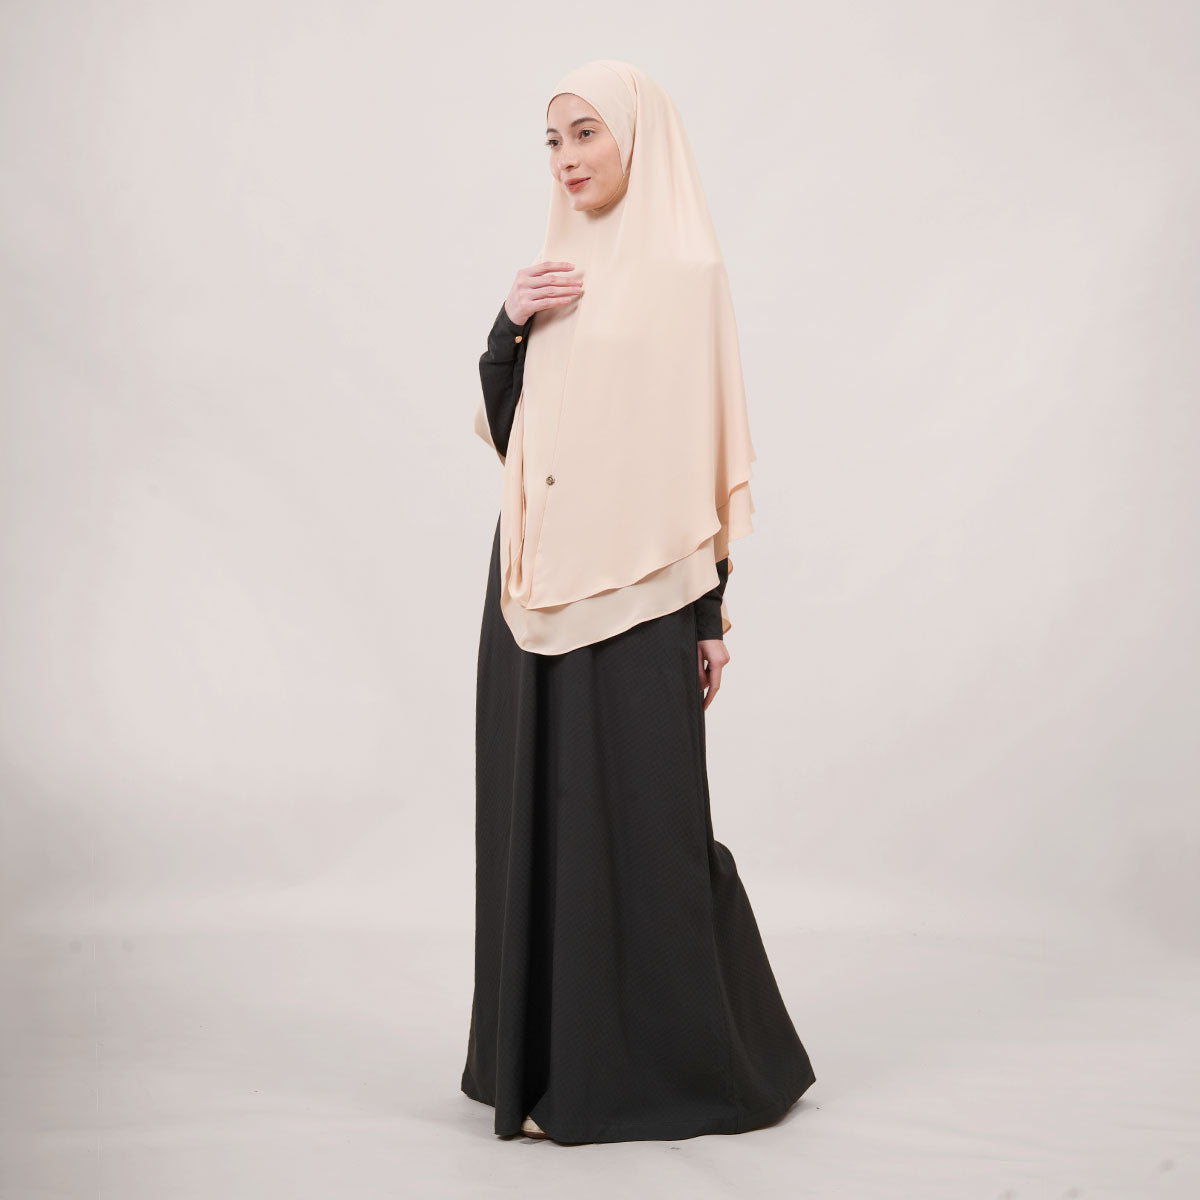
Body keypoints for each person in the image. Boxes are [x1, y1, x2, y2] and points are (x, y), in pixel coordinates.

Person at [461, 59, 816, 1145]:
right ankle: (541, 1070)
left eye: (586, 134)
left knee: (648, 830)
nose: (566, 160)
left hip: (646, 594)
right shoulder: (556, 271)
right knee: (532, 818)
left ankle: (691, 1069)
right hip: (531, 583)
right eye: (553, 140)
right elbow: (516, 432)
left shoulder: (686, 273)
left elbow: (698, 456)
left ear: (637, 139)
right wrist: (508, 324)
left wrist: (709, 619)